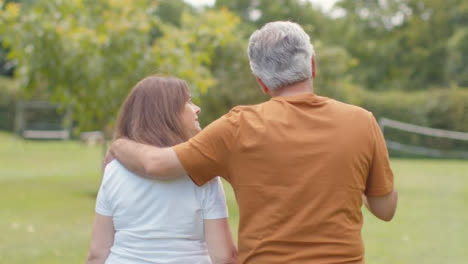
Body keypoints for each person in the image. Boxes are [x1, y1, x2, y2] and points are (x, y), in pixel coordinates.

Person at [109, 21, 398, 264]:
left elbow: (155, 164)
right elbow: (386, 210)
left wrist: (119, 144)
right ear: (312, 65)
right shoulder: (362, 122)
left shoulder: (237, 127)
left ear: (261, 81)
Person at [86, 76, 237, 264]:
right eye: (188, 101)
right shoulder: (201, 174)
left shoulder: (113, 171)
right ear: (167, 114)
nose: (197, 108)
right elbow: (224, 256)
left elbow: (97, 254)